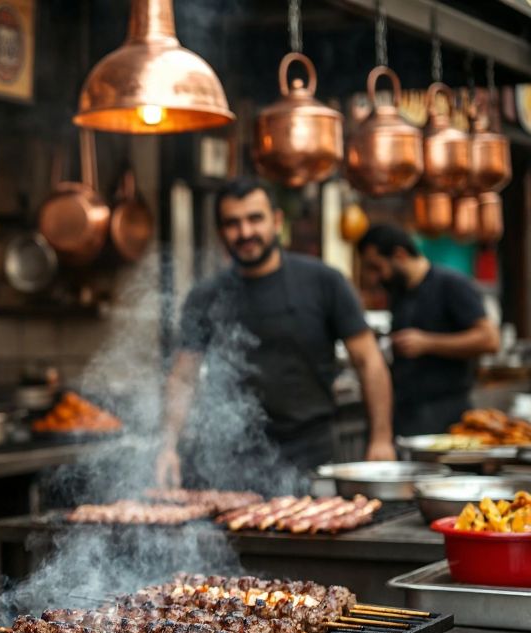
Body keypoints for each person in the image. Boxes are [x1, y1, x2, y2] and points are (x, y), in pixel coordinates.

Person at [156, 178, 395, 488]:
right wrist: (167, 446)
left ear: (277, 221)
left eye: (255, 219)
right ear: (220, 233)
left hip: (312, 454)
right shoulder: (206, 296)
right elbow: (183, 377)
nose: (245, 233)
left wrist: (381, 438)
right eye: (233, 223)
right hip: (232, 460)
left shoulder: (324, 282)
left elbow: (368, 361)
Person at [358, 224, 499, 436]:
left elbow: (490, 339)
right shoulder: (400, 293)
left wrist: (428, 343)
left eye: (378, 267)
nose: (377, 277)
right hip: (406, 412)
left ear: (400, 255)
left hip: (445, 412)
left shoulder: (450, 284)